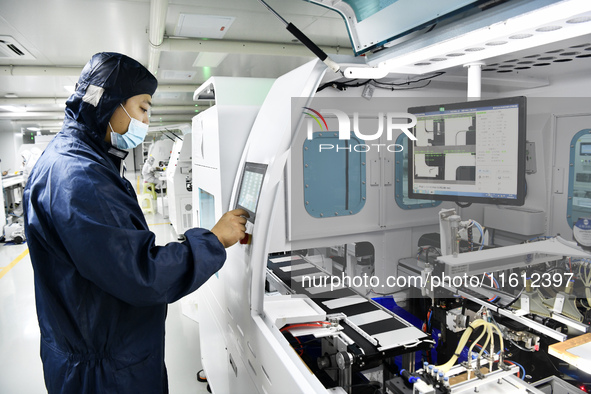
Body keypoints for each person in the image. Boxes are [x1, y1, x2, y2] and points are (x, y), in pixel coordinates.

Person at [23, 52, 247, 394]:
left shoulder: (75, 159)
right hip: (105, 373)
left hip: (95, 349)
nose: (145, 120)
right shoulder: (80, 177)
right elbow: (142, 274)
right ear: (107, 102)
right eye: (142, 107)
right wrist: (213, 240)